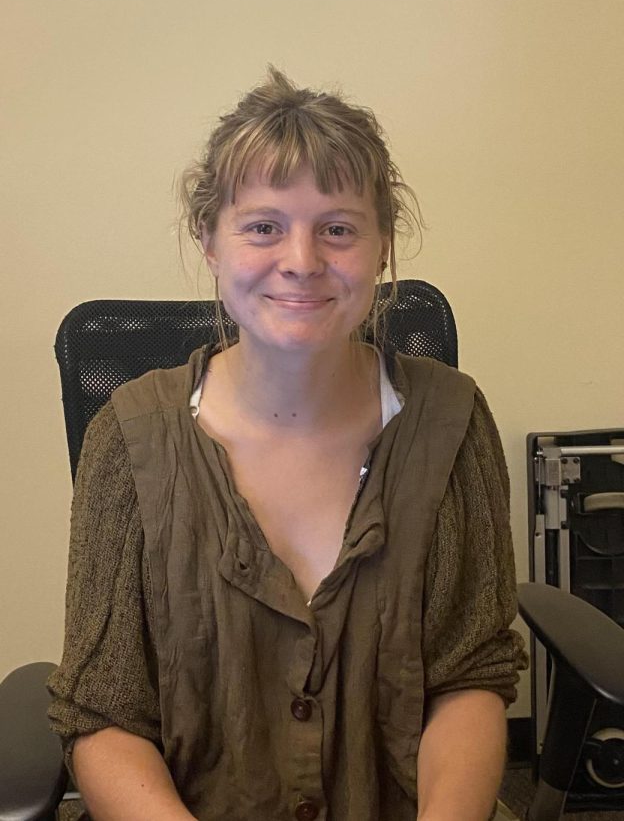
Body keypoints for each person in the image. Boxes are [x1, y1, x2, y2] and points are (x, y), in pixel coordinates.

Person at [48, 67, 527, 821]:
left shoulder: (454, 423)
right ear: (210, 241)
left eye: (337, 227)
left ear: (380, 247)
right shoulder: (126, 440)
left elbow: (469, 678)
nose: (302, 260)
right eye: (263, 225)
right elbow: (102, 713)